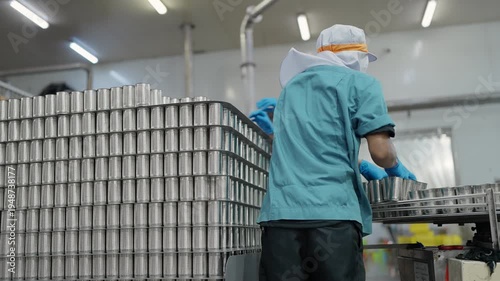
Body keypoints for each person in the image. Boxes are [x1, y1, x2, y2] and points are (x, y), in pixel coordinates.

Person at [256, 24, 417, 281]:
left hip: (281, 218)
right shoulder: (362, 83)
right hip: (333, 219)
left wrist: (360, 164)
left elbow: (310, 147)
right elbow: (382, 152)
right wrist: (394, 166)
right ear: (357, 56)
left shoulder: (290, 87)